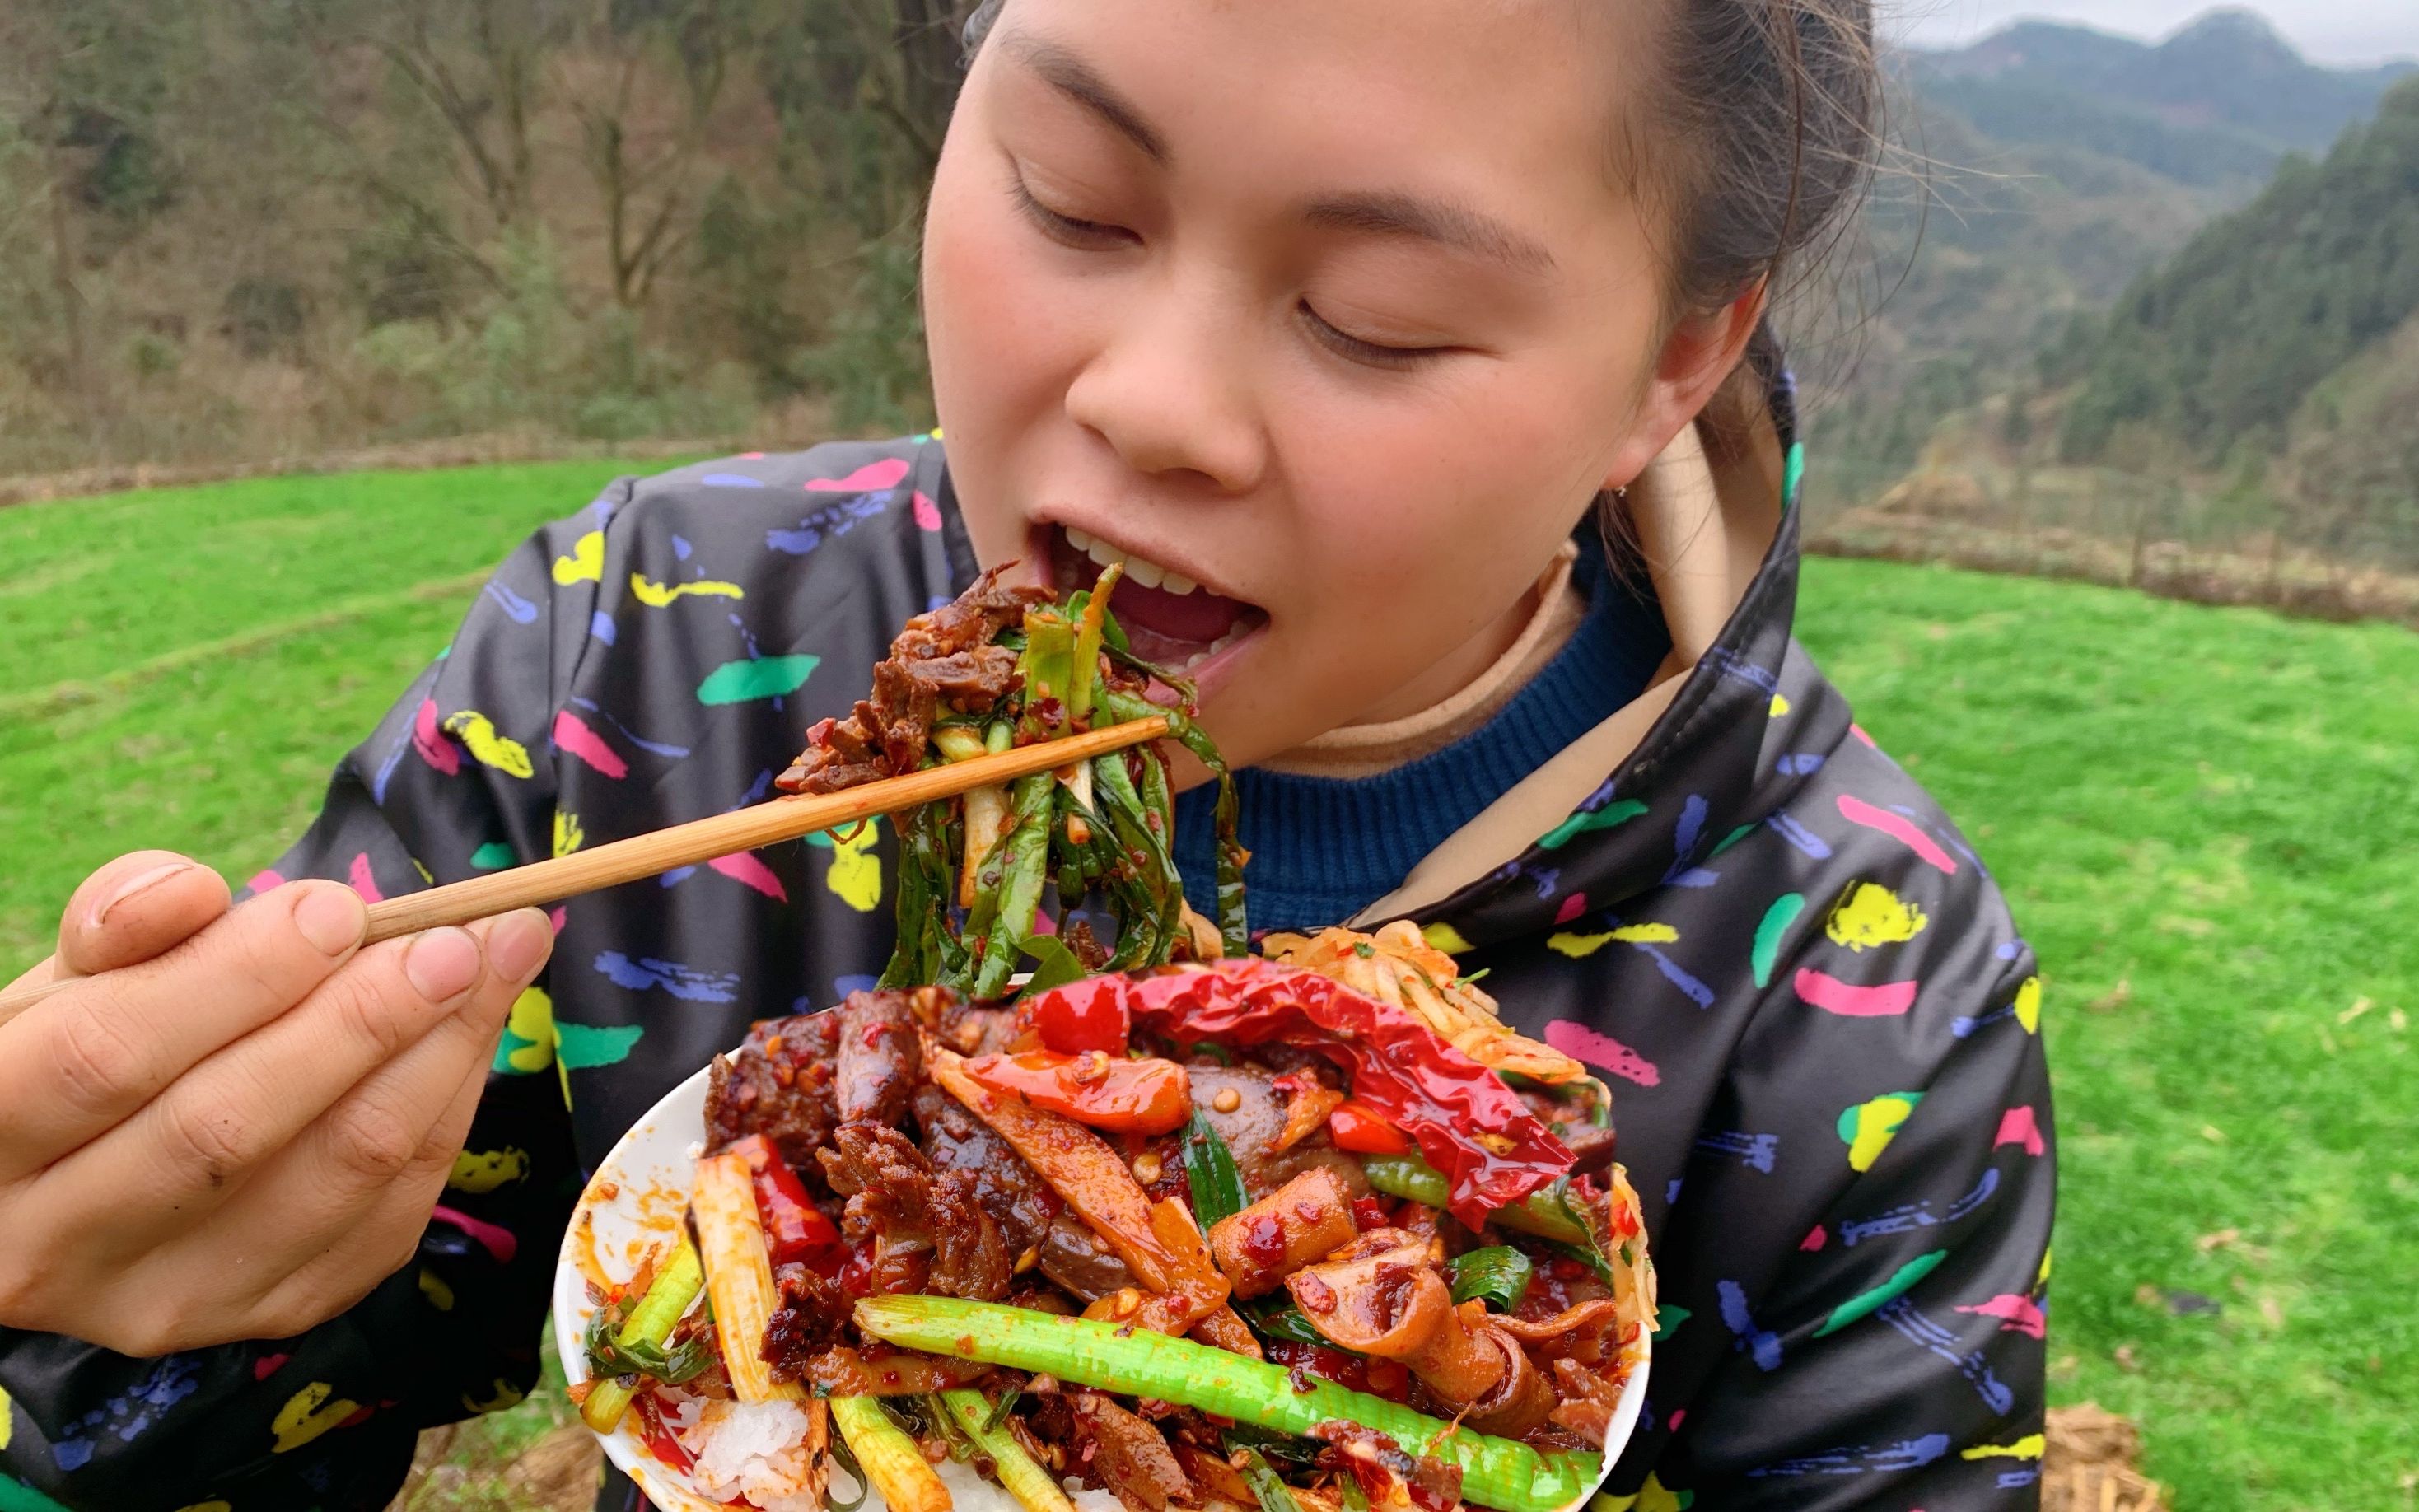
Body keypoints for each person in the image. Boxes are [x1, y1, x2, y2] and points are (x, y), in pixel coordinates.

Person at [0, 2, 2053, 1507]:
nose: (1150, 402)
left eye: (1379, 316)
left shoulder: (1857, 994)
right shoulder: (628, 649)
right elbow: (301, 1370)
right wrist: (146, 1311)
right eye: (1069, 200)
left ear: (1676, 356)